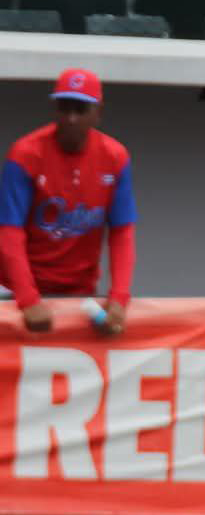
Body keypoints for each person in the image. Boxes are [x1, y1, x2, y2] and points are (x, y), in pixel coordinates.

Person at [0, 68, 136, 335]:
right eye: (65, 108)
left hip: (78, 292)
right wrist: (27, 299)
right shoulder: (26, 154)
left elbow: (122, 231)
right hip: (14, 291)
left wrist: (119, 297)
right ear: (55, 109)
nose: (72, 118)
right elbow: (8, 231)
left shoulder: (115, 157)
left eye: (81, 109)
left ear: (98, 112)